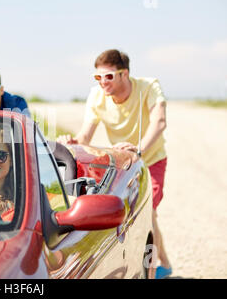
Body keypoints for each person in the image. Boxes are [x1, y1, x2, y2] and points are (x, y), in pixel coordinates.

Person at [58, 49, 172, 279]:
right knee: (144, 214)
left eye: (108, 76)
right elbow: (85, 137)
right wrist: (70, 142)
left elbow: (159, 121)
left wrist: (139, 148)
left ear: (124, 74)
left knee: (148, 211)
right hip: (127, 163)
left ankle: (153, 268)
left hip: (151, 157)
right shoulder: (97, 96)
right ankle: (165, 263)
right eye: (97, 77)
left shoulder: (148, 87)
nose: (102, 82)